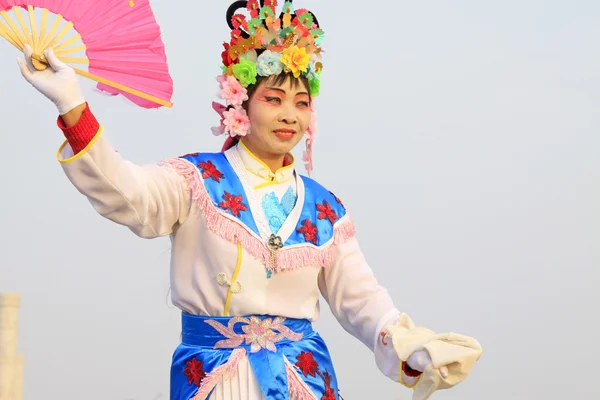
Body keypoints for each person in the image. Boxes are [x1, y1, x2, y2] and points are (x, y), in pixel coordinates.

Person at [16, 1, 482, 399]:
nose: (289, 116)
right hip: (216, 381)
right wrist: (72, 105)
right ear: (241, 104)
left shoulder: (325, 210)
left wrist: (413, 346)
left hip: (304, 380)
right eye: (274, 98)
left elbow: (363, 302)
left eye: (301, 103)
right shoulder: (197, 179)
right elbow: (127, 194)